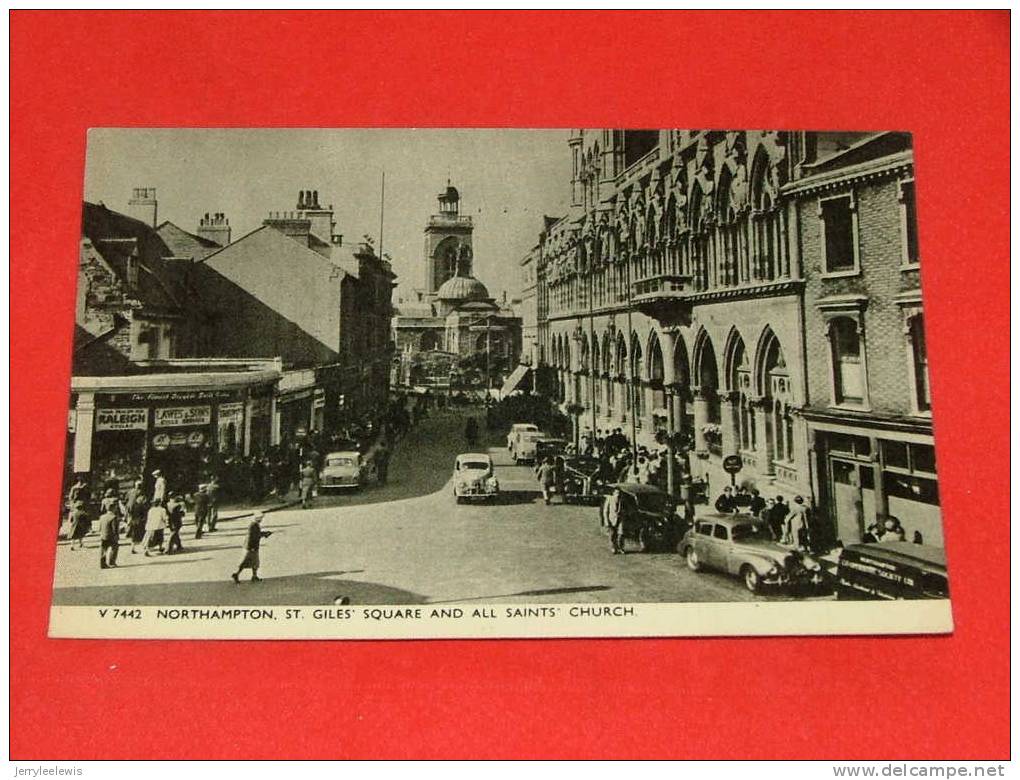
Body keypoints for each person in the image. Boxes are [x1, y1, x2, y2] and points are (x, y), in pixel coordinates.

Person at [231, 511, 273, 583]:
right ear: (257, 518)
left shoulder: (254, 524)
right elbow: (254, 536)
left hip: (250, 547)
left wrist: (264, 534)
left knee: (252, 562)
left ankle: (252, 576)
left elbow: (256, 534)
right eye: (260, 518)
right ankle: (240, 574)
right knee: (251, 562)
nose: (261, 520)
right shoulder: (253, 525)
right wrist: (264, 534)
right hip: (251, 547)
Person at [605, 486, 625, 554]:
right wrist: (606, 521)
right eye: (616, 493)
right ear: (613, 493)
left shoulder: (621, 500)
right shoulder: (609, 499)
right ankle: (613, 548)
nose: (618, 494)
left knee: (621, 534)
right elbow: (605, 511)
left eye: (619, 493)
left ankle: (620, 548)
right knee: (612, 535)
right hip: (611, 519)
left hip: (620, 519)